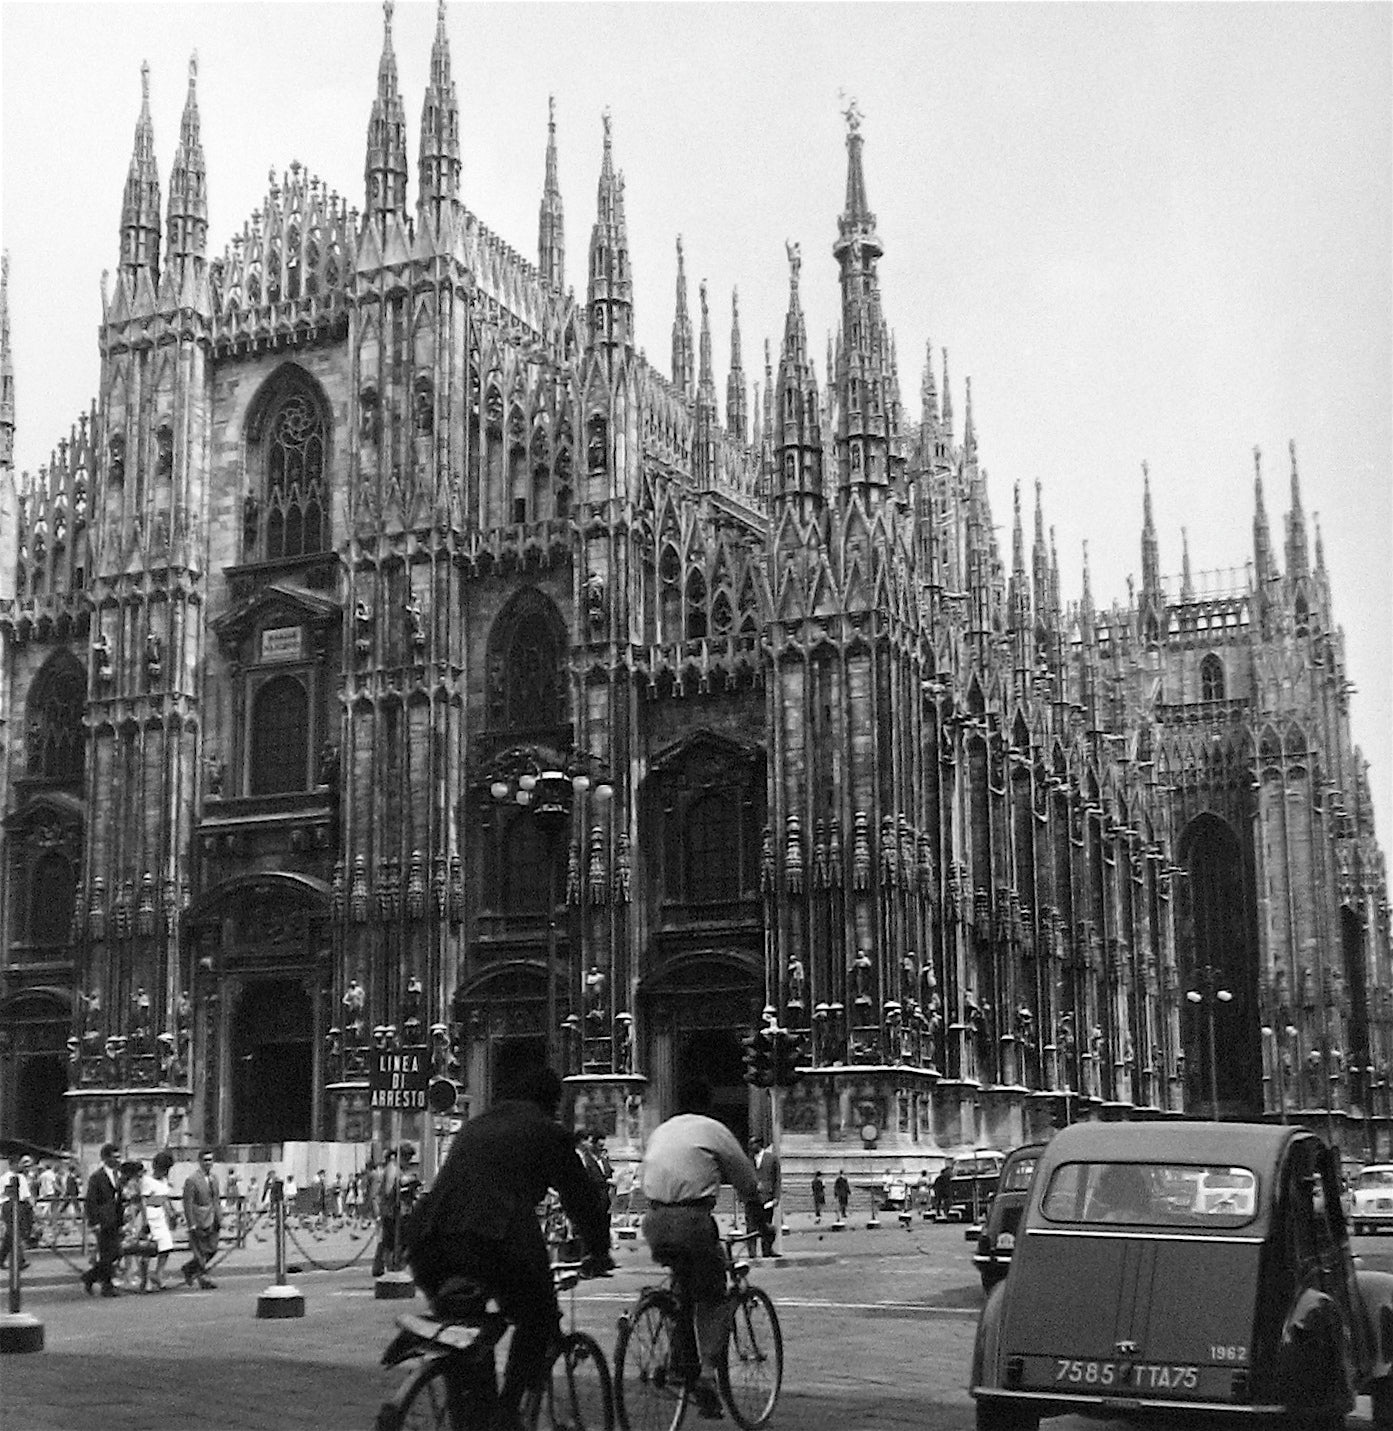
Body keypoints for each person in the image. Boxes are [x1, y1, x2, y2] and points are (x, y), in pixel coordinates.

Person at [406, 1065, 611, 1431]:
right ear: (552, 1103)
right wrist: (599, 1250)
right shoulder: (546, 1130)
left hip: (428, 1240)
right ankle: (506, 1412)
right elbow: (579, 1197)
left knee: (464, 1331)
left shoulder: (477, 1124)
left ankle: (472, 1415)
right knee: (538, 1315)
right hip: (491, 1236)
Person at [642, 1077, 767, 1420]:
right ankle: (709, 1375)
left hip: (653, 1220)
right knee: (713, 1293)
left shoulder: (661, 1129)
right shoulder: (713, 1129)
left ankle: (679, 1359)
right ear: (709, 1104)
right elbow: (746, 1182)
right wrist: (762, 1225)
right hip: (692, 1221)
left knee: (682, 1290)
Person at [81, 1142, 125, 1296]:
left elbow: (119, 1199)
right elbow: (91, 1201)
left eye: (119, 1157)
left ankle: (90, 1276)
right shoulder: (97, 1177)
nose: (118, 1160)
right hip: (102, 1221)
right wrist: (94, 1222)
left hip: (115, 1220)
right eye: (115, 1157)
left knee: (116, 1253)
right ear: (106, 1158)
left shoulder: (119, 1176)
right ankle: (107, 1286)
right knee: (108, 1254)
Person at [180, 1148, 221, 1289]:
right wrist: (191, 1223)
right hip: (198, 1219)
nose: (208, 1163)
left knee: (212, 1248)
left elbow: (216, 1199)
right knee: (200, 1251)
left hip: (212, 1218)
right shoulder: (192, 1180)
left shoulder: (214, 1178)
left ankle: (189, 1268)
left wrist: (219, 1217)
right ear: (199, 1162)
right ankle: (203, 1278)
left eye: (210, 1160)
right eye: (205, 1160)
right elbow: (188, 1202)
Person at [139, 1149, 178, 1290]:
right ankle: (144, 1279)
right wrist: (144, 1221)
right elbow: (143, 1201)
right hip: (150, 1214)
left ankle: (158, 1274)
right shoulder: (147, 1181)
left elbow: (165, 1200)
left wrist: (172, 1214)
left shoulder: (164, 1182)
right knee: (147, 1250)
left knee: (166, 1246)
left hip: (160, 1215)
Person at [372, 1147, 403, 1277]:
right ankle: (387, 1265)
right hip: (389, 1210)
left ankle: (379, 1265)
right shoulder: (392, 1168)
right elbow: (388, 1190)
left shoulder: (392, 1168)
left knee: (386, 1238)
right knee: (390, 1239)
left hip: (386, 1209)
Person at [0, 1154, 34, 1270]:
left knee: (11, 1235)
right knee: (16, 1233)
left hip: (14, 1205)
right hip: (13, 1205)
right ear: (13, 1164)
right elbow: (23, 1195)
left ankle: (1, 1258)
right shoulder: (12, 1177)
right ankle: (20, 1260)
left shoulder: (14, 1177)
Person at [750, 1135, 780, 1257]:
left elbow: (777, 1179)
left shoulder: (772, 1158)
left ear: (759, 1144)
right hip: (753, 1198)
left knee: (767, 1225)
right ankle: (752, 1252)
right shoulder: (749, 1160)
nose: (751, 1147)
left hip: (767, 1198)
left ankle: (767, 1250)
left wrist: (776, 1197)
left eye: (753, 1144)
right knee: (751, 1225)